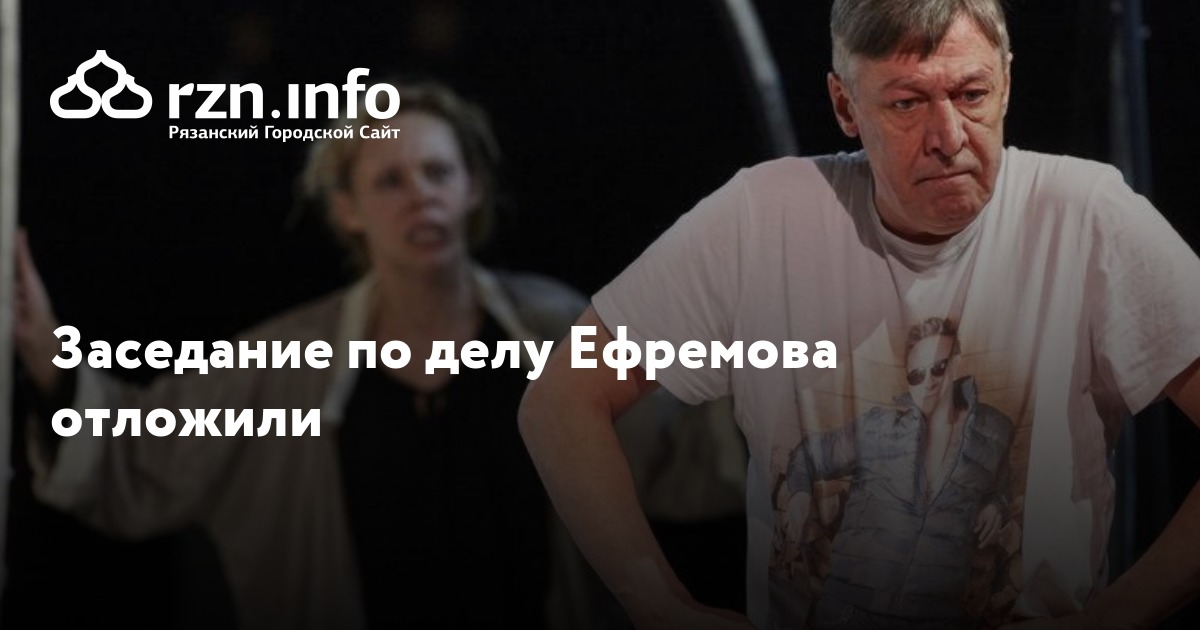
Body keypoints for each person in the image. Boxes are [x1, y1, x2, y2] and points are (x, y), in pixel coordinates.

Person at [518, 1, 1200, 628]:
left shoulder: (1086, 215)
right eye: (907, 102)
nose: (949, 137)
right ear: (845, 105)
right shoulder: (763, 218)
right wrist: (658, 604)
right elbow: (561, 400)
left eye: (972, 94)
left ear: (1008, 83)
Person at [14, 80, 589, 629]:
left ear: (473, 187)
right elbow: (141, 452)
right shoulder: (283, 364)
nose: (421, 196)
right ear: (347, 209)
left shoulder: (559, 328)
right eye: (391, 181)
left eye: (438, 172)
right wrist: (45, 349)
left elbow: (647, 460)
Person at [777, 317, 1014, 627]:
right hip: (850, 611)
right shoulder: (878, 429)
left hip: (935, 616)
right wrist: (799, 494)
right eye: (916, 375)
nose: (928, 382)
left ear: (956, 363)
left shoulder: (993, 433)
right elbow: (807, 455)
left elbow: (1001, 482)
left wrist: (998, 504)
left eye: (938, 368)